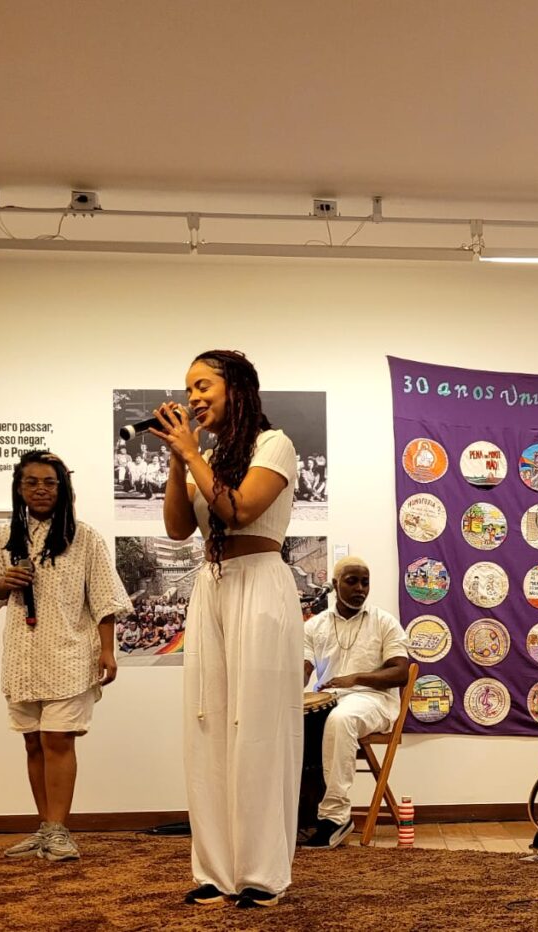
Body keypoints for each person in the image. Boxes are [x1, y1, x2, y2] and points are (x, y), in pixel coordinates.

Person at [153, 349, 303, 909]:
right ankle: (215, 870)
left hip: (260, 584)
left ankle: (262, 873)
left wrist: (192, 454)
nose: (192, 397)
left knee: (258, 726)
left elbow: (240, 512)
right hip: (212, 588)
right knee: (208, 725)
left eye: (203, 385)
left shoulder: (274, 445)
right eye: (189, 388)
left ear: (236, 388)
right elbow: (177, 529)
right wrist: (179, 462)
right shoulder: (207, 456)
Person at [0, 450, 132, 862]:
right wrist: (4, 582)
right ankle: (45, 827)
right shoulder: (4, 537)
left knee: (58, 739)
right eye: (31, 482)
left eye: (50, 482)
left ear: (63, 488)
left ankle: (60, 830)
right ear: (19, 488)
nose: (41, 489)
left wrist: (107, 650)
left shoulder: (85, 538)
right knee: (32, 742)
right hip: (22, 655)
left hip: (69, 653)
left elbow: (104, 598)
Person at [301, 557, 409, 848]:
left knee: (341, 719)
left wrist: (356, 678)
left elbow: (400, 672)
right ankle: (299, 815)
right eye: (352, 581)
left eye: (365, 582)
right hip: (331, 700)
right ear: (335, 585)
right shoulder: (314, 626)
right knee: (289, 720)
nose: (360, 588)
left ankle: (335, 817)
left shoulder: (384, 622)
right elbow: (304, 670)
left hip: (375, 701)